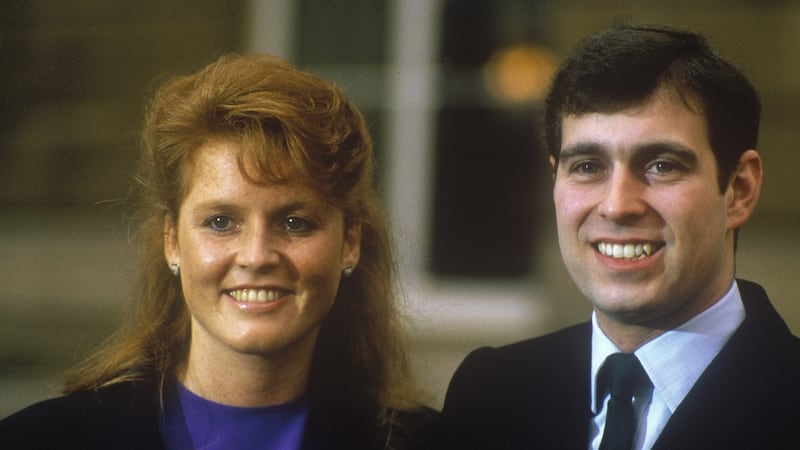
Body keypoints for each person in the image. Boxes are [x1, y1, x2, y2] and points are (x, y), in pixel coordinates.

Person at [1, 53, 434, 449]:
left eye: (295, 223)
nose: (257, 255)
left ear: (350, 244)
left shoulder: (428, 441)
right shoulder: (40, 440)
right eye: (221, 222)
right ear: (172, 241)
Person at [431, 24, 800, 449]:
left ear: (739, 190)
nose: (617, 205)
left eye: (662, 165)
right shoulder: (489, 395)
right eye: (587, 166)